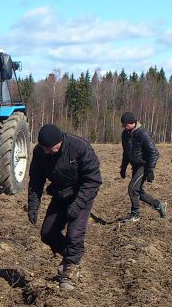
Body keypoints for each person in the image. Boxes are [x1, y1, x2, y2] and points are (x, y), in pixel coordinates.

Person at [27, 123, 102, 291]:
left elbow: (93, 181)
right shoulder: (40, 152)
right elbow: (36, 180)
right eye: (43, 147)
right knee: (47, 233)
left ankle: (70, 270)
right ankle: (72, 257)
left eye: (50, 148)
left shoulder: (79, 147)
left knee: (74, 234)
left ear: (60, 142)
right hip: (61, 193)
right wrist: (33, 205)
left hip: (82, 194)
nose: (46, 151)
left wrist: (77, 206)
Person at [119, 112, 167, 222]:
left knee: (132, 189)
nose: (123, 127)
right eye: (123, 124)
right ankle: (159, 205)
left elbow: (154, 153)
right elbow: (126, 152)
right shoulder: (125, 134)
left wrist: (150, 170)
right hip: (135, 166)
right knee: (138, 191)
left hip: (144, 165)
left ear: (133, 123)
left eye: (125, 124)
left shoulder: (143, 133)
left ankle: (135, 214)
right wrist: (123, 168)